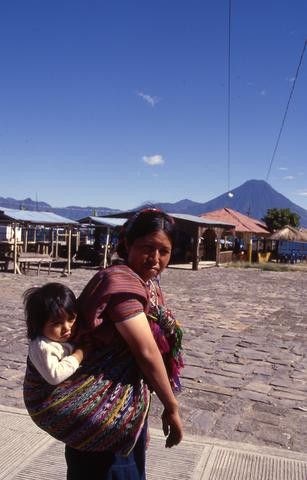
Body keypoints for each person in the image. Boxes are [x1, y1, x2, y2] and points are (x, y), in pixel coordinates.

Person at [65, 208, 184, 480]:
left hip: (121, 410)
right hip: (100, 411)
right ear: (128, 244)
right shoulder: (121, 286)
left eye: (164, 251)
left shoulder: (146, 285)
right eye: (147, 247)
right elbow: (146, 351)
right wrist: (171, 406)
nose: (155, 258)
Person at [23, 283, 85, 385]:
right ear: (39, 325)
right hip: (42, 397)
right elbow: (55, 376)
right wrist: (80, 354)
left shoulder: (65, 337)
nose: (67, 327)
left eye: (71, 319)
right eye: (57, 323)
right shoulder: (42, 346)